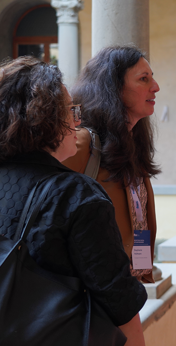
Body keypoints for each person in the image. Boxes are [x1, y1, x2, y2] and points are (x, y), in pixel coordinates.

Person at [0, 57, 147, 345]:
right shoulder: (78, 195)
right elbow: (119, 299)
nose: (77, 120)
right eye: (70, 110)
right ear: (47, 120)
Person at [64, 46, 161, 283]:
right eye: (143, 79)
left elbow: (138, 221)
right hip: (91, 292)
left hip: (125, 286)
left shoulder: (132, 145)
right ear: (114, 89)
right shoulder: (82, 143)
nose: (155, 87)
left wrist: (138, 273)